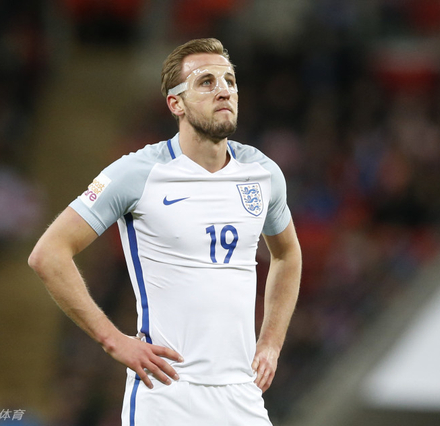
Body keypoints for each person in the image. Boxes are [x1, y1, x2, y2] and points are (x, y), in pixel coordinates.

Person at [28, 38, 302, 426]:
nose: (224, 90)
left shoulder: (262, 173)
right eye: (206, 82)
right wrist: (113, 340)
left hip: (242, 394)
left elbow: (287, 254)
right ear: (176, 104)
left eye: (229, 80)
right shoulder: (137, 173)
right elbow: (49, 253)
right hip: (168, 394)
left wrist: (271, 343)